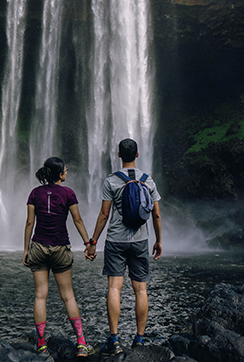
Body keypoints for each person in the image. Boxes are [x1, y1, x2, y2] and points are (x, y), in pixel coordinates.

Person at [85, 139, 162, 355]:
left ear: (119, 154)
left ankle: (114, 340)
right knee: (141, 290)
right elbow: (156, 214)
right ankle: (139, 339)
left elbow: (103, 215)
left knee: (114, 288)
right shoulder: (148, 181)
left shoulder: (111, 181)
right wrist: (158, 240)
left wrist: (93, 242)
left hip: (116, 240)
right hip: (140, 240)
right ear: (137, 155)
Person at [23, 157, 94, 358]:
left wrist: (26, 249)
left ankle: (41, 344)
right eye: (65, 169)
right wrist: (88, 244)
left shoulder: (35, 193)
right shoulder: (68, 193)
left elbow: (29, 223)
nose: (67, 171)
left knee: (40, 296)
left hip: (38, 246)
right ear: (60, 174)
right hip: (61, 248)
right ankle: (81, 343)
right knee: (68, 295)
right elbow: (77, 220)